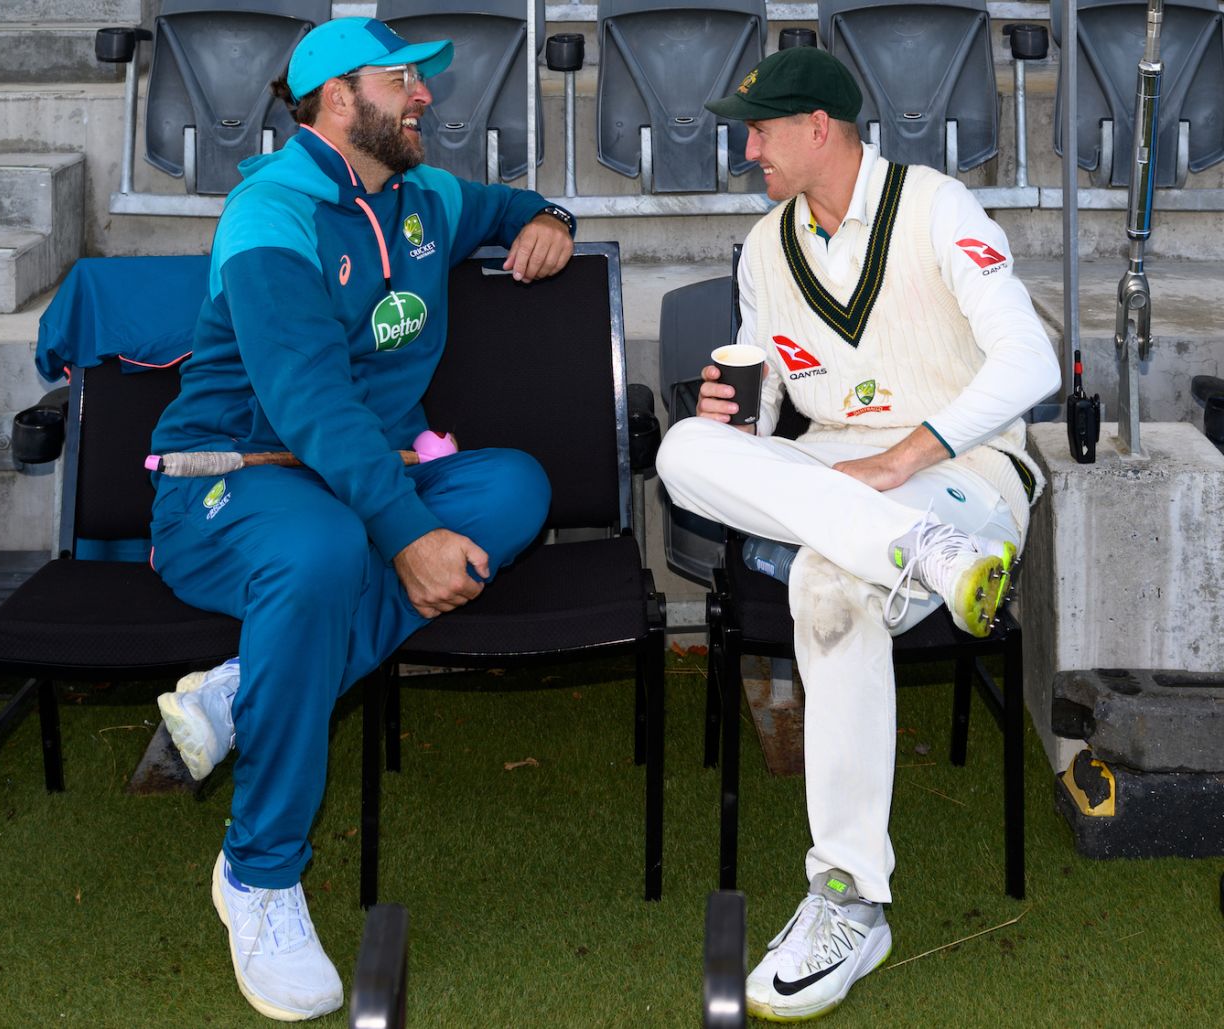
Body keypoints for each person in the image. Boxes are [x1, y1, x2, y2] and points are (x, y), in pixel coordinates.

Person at [147, 17, 574, 1021]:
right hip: (233, 478)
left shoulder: (424, 194)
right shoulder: (270, 208)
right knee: (328, 552)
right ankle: (257, 873)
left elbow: (506, 203)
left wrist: (542, 213)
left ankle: (247, 695)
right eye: (402, 81)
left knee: (512, 489)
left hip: (360, 478)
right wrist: (406, 532)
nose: (425, 98)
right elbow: (305, 401)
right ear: (339, 98)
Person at [656, 47, 1059, 1022]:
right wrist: (732, 420)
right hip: (843, 482)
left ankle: (848, 900)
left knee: (827, 587)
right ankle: (922, 557)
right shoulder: (763, 248)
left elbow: (1031, 362)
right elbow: (772, 422)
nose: (746, 148)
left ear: (817, 129)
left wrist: (901, 458)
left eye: (759, 130)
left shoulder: (935, 207)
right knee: (679, 450)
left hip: (960, 472)